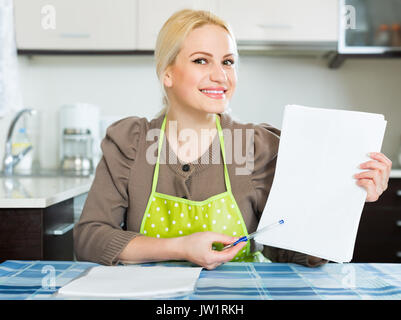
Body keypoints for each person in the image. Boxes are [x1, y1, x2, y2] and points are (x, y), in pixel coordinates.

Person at [74, 9, 392, 270]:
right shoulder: (131, 142)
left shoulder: (255, 146)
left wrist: (344, 200)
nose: (220, 75)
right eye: (201, 60)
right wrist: (181, 247)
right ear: (167, 73)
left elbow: (290, 251)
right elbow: (90, 238)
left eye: (227, 61)